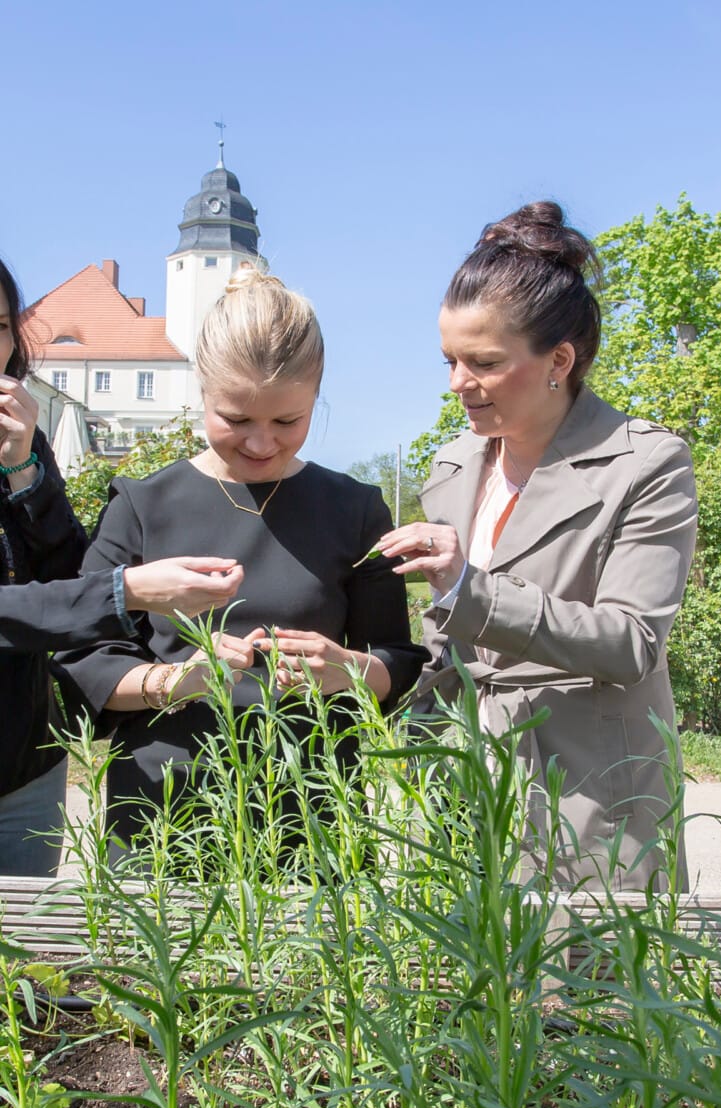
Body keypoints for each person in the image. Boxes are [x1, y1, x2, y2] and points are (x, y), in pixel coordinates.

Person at [375, 202, 697, 891]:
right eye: (450, 360)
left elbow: (632, 640)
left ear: (559, 360)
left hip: (593, 799)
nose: (458, 384)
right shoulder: (453, 465)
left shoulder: (646, 462)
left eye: (484, 363)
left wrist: (470, 589)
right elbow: (452, 652)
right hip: (470, 793)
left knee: (594, 994)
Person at [56, 265, 425, 847]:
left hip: (311, 815)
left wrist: (348, 671)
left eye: (288, 421)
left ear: (317, 394)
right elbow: (84, 660)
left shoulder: (355, 510)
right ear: (201, 390)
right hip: (162, 816)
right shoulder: (140, 504)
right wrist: (181, 679)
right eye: (235, 419)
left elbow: (399, 662)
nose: (260, 443)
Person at [1, 255, 244, 874]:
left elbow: (63, 575)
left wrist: (25, 471)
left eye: (1, 326)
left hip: (25, 766)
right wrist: (129, 590)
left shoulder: (23, 440)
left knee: (28, 960)